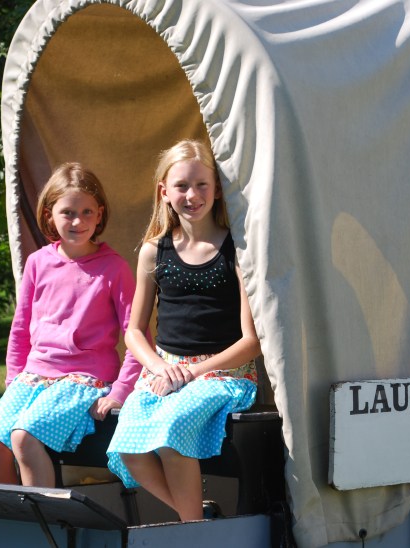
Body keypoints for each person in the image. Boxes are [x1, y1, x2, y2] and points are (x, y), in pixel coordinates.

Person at [107, 139, 261, 521]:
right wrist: (160, 367)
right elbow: (134, 332)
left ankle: (192, 532)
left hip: (223, 374)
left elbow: (252, 342)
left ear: (217, 188)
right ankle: (199, 519)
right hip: (166, 373)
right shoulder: (153, 252)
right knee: (127, 445)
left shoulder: (237, 250)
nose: (191, 195)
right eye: (181, 186)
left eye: (201, 185)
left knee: (172, 434)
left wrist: (192, 372)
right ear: (164, 191)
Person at [0, 162, 142, 487]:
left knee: (24, 438)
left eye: (86, 212)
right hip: (32, 376)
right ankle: (10, 529)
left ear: (99, 214)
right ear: (49, 215)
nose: (78, 221)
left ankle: (46, 531)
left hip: (84, 378)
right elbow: (21, 328)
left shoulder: (113, 268)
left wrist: (122, 391)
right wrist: (14, 378)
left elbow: (137, 335)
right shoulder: (38, 262)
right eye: (68, 212)